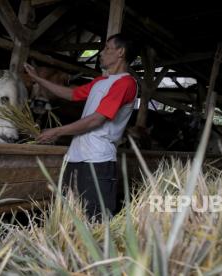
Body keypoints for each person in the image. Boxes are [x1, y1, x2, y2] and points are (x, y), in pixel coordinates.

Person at [24, 33, 138, 219]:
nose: (101, 53)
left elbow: (97, 120)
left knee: (95, 219)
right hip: (76, 156)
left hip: (98, 160)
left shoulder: (126, 83)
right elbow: (71, 94)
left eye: (107, 48)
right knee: (67, 215)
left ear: (121, 52)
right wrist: (39, 80)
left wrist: (57, 131)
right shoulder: (101, 82)